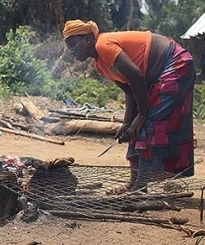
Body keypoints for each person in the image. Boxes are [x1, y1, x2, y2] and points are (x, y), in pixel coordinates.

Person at [62, 19, 196, 192]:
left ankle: (140, 187)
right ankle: (135, 184)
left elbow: (136, 77)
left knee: (149, 124)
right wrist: (127, 124)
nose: (71, 51)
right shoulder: (100, 65)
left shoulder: (103, 44)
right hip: (157, 74)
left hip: (176, 63)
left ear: (88, 38)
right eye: (68, 46)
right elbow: (130, 90)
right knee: (135, 130)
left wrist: (141, 116)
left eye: (73, 44)